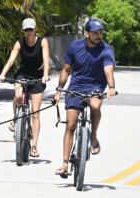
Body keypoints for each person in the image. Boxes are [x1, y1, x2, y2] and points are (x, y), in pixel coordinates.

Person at [53, 19, 116, 176]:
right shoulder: (75, 47)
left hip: (95, 86)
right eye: (95, 33)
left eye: (100, 32)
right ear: (86, 33)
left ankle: (93, 137)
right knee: (71, 125)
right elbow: (66, 70)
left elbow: (108, 71)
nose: (98, 35)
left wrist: (112, 87)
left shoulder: (106, 49)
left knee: (95, 105)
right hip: (76, 87)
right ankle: (65, 164)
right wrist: (59, 91)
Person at [0, 18, 49, 157]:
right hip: (23, 74)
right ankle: (15, 118)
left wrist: (45, 75)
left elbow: (46, 60)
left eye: (30, 30)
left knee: (35, 113)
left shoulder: (42, 41)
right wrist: (2, 74)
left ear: (35, 29)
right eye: (26, 30)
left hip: (38, 76)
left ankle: (34, 146)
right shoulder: (19, 43)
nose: (28, 33)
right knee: (18, 96)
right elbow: (11, 60)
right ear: (23, 30)